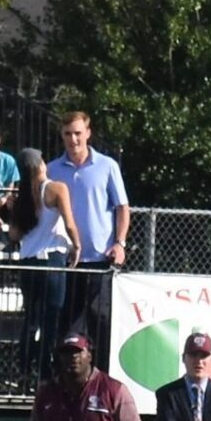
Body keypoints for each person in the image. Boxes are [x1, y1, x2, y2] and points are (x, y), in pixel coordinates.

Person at [47, 112, 128, 350]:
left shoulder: (107, 166)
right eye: (68, 134)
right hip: (66, 260)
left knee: (100, 322)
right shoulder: (52, 170)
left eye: (78, 133)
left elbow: (122, 207)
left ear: (88, 133)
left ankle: (102, 380)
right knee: (67, 326)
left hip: (100, 259)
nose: (73, 139)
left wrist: (120, 244)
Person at [6, 146, 81, 374]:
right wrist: (76, 245)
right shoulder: (56, 188)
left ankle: (24, 370)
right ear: (41, 164)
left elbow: (14, 235)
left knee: (31, 318)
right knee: (52, 319)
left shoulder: (21, 196)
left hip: (28, 261)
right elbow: (68, 223)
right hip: (51, 260)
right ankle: (47, 371)